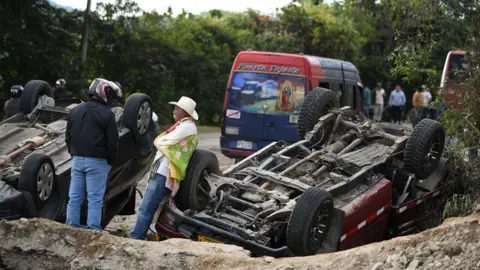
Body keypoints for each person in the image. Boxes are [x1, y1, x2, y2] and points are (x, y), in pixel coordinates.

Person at [130, 96, 199, 240]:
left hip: (164, 172)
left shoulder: (187, 126)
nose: (174, 111)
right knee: (151, 206)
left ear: (184, 112)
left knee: (146, 207)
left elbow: (162, 141)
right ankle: (142, 234)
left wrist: (159, 142)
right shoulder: (184, 125)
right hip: (163, 171)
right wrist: (161, 142)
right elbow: (163, 141)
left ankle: (136, 237)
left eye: (177, 108)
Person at [65, 78, 121, 231]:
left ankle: (70, 227)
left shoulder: (75, 110)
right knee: (95, 200)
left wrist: (74, 154)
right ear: (103, 93)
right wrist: (110, 162)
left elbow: (68, 137)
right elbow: (112, 142)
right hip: (97, 161)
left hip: (77, 160)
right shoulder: (107, 114)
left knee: (74, 198)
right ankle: (94, 230)